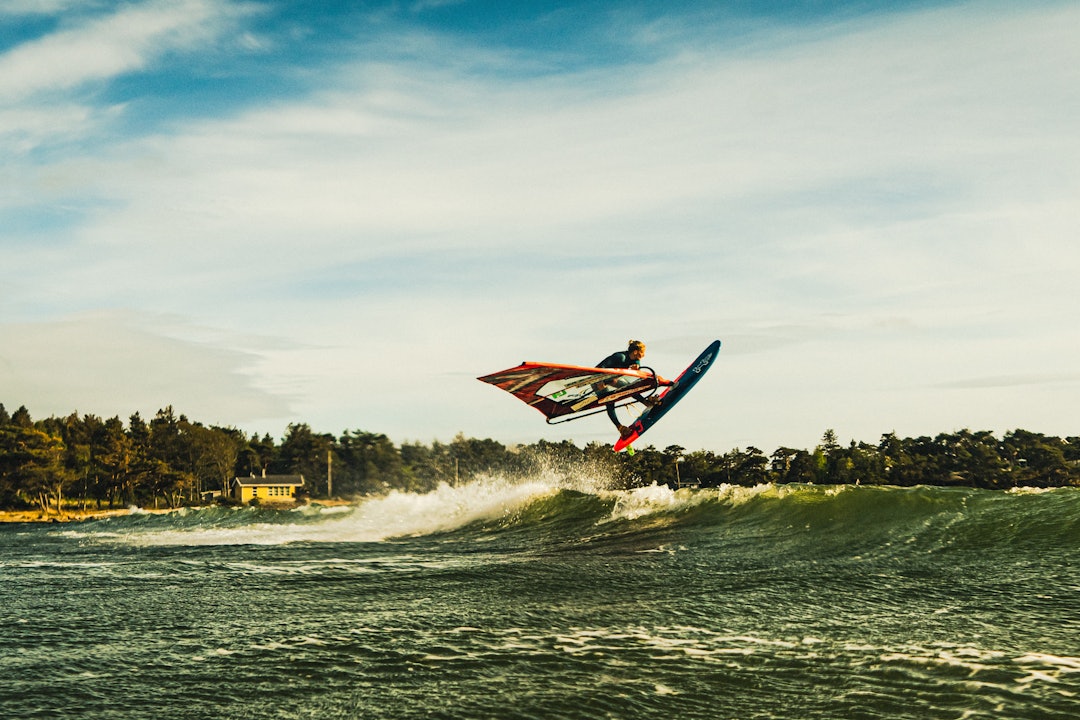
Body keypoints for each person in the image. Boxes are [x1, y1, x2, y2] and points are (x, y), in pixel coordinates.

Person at [596, 340, 664, 439]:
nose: (644, 355)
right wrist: (599, 381)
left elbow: (637, 365)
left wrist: (637, 367)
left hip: (611, 380)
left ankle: (645, 402)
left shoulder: (634, 360)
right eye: (642, 352)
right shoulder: (620, 357)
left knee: (629, 387)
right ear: (635, 352)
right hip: (596, 381)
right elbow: (600, 367)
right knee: (610, 400)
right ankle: (619, 427)